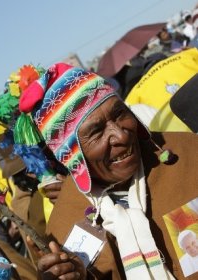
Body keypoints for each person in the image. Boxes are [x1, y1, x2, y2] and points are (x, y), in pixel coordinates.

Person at [15, 63, 198, 279]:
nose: (121, 135)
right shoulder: (64, 227)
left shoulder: (188, 154)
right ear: (69, 154)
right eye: (97, 131)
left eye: (120, 113)